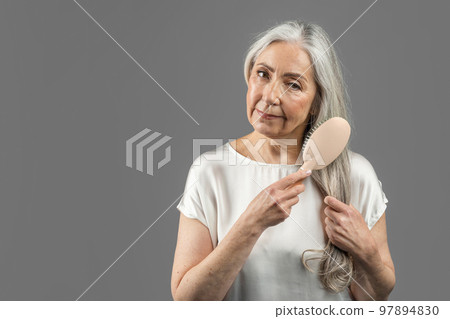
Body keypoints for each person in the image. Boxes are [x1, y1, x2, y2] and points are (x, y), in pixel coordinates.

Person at [171, 20, 395, 301]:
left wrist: (366, 252)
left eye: (293, 85)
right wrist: (250, 224)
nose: (270, 96)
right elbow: (188, 300)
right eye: (262, 74)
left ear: (317, 101)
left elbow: (374, 298)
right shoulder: (209, 172)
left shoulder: (356, 174)